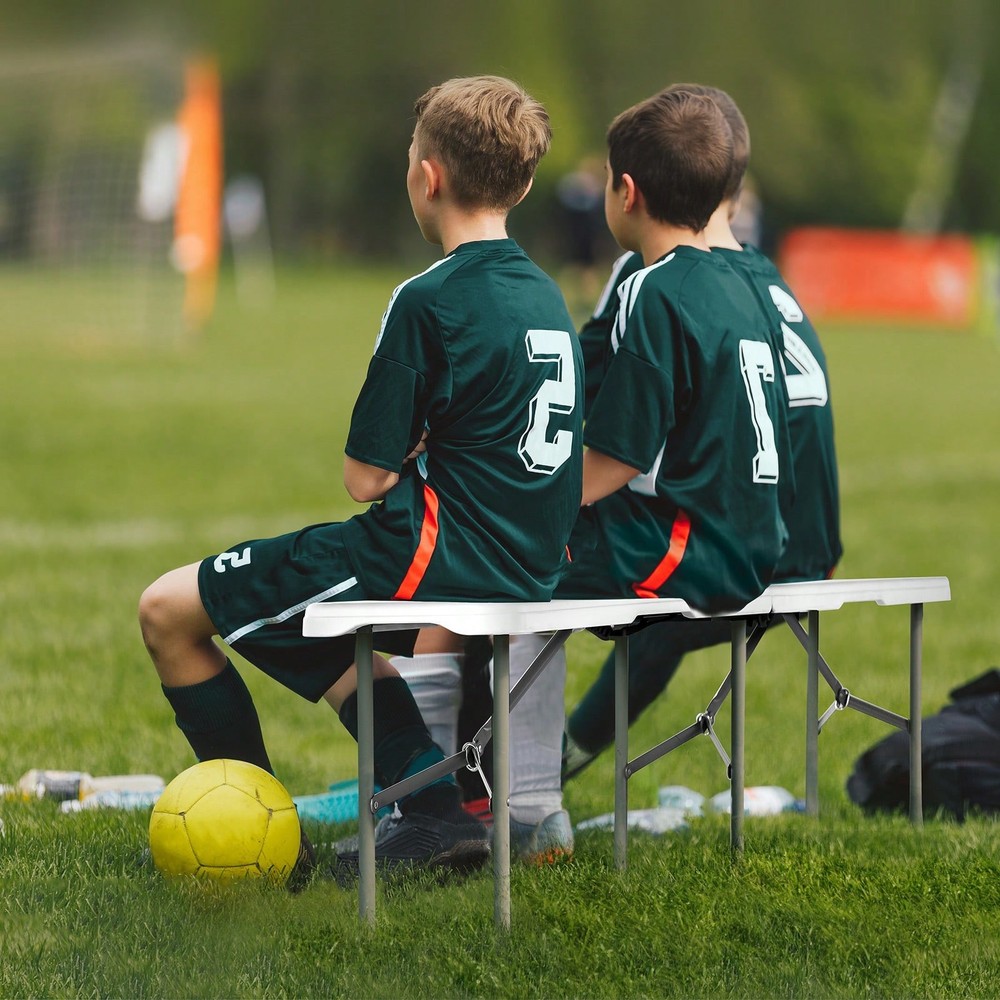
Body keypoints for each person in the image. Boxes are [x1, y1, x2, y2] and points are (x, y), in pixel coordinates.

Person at [137, 75, 584, 884]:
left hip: (432, 555)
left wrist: (414, 446)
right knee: (336, 637)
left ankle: (279, 844)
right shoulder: (547, 295)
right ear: (521, 184)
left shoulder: (429, 297)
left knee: (168, 611)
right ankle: (431, 805)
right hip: (526, 559)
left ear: (427, 177)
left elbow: (364, 478)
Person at [562, 83, 842, 779]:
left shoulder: (652, 279)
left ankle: (475, 781)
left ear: (630, 191)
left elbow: (584, 395)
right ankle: (522, 769)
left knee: (503, 552)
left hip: (731, 544)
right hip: (803, 540)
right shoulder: (764, 281)